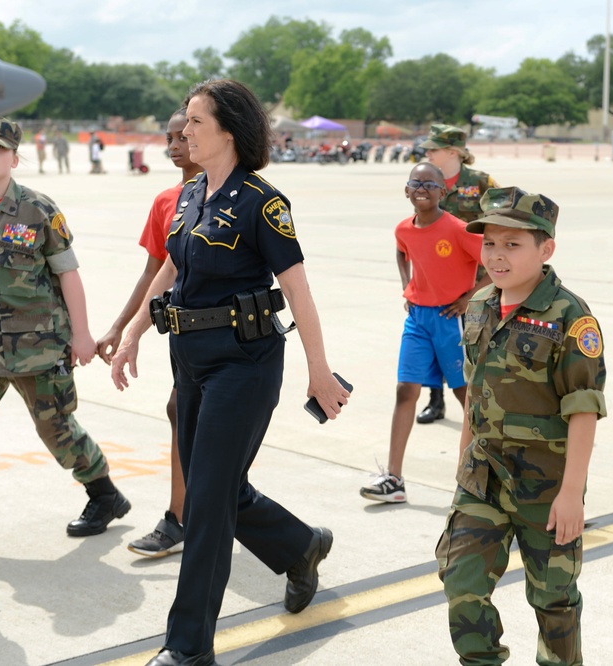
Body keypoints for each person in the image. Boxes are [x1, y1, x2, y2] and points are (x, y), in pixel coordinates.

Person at [110, 79, 349, 666]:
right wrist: (134, 333)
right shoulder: (192, 193)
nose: (183, 130)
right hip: (188, 359)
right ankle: (300, 546)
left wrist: (319, 372)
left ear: (228, 131)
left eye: (194, 121)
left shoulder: (262, 203)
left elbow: (298, 291)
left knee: (206, 508)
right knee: (218, 488)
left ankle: (189, 647)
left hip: (244, 363)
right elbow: (169, 266)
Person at [436, 187, 606, 665]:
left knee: (553, 600)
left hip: (546, 488)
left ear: (545, 249)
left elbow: (584, 409)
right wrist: (462, 461)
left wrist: (572, 493)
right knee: (461, 583)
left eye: (513, 244)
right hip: (481, 477)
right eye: (490, 243)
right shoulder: (479, 305)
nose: (497, 256)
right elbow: (474, 391)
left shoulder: (570, 317)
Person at [0, 116, 131, 538]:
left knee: (57, 429)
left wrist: (82, 335)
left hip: (38, 347)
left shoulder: (38, 209)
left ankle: (104, 494)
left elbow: (68, 274)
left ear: (15, 157)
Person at [96, 108, 201, 558]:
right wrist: (120, 327)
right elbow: (152, 273)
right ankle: (187, 516)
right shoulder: (165, 201)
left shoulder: (238, 195)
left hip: (228, 333)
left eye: (184, 135)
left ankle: (187, 515)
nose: (175, 145)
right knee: (183, 412)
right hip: (182, 332)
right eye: (170, 137)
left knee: (186, 413)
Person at [359, 162, 486, 504]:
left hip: (450, 321)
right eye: (415, 182)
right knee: (405, 390)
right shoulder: (403, 229)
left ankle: (482, 475)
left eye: (430, 184)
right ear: (406, 190)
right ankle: (394, 478)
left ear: (443, 193)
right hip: (417, 319)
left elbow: (491, 264)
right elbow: (402, 253)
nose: (422, 188)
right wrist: (407, 285)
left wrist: (466, 299)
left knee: (465, 397)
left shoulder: (459, 229)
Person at [419, 123, 498, 425]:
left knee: (479, 343)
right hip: (436, 279)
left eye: (433, 149)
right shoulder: (424, 179)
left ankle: (483, 406)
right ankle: (435, 400)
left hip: (478, 281)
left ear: (453, 152)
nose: (426, 153)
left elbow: (501, 222)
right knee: (433, 344)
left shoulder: (481, 182)